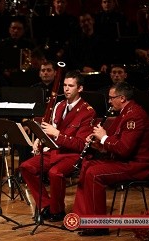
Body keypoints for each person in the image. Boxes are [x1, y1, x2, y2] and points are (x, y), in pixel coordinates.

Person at [72, 81, 149, 236]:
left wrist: (104, 138)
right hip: (124, 162)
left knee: (94, 173)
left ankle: (99, 226)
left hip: (138, 166)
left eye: (111, 98)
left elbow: (124, 150)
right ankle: (82, 217)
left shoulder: (134, 116)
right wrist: (100, 145)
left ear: (122, 98)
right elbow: (115, 143)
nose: (109, 101)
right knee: (87, 165)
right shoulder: (124, 113)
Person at [19, 70, 96, 222]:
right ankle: (47, 205)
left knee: (55, 173)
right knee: (26, 167)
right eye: (65, 85)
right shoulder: (59, 105)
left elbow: (80, 144)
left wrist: (57, 135)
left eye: (71, 86)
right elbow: (49, 130)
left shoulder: (88, 112)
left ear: (80, 89)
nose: (66, 89)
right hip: (56, 151)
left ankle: (57, 210)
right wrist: (40, 138)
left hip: (72, 154)